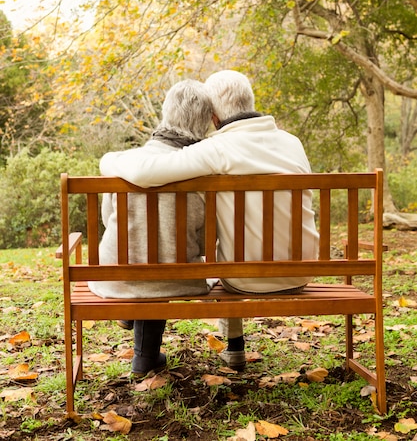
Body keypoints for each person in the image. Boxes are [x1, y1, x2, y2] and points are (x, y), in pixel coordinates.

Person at [100, 70, 319, 371]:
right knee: (231, 251)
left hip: (246, 280)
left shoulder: (217, 149)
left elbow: (144, 172)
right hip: (301, 272)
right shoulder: (292, 142)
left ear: (213, 117)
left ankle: (234, 344)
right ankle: (234, 348)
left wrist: (109, 160)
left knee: (226, 260)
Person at [89, 79, 214, 376]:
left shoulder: (124, 163)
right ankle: (144, 356)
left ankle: (137, 333)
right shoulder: (204, 170)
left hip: (116, 276)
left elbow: (109, 220)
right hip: (177, 278)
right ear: (208, 121)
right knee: (162, 261)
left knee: (145, 256)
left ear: (165, 113)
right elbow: (207, 240)